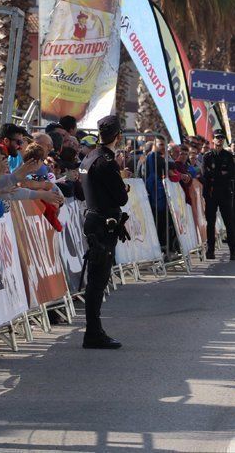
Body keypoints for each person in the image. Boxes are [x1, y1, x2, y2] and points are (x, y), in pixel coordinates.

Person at [80, 115, 130, 350]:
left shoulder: (89, 157)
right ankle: (93, 332)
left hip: (93, 219)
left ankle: (94, 329)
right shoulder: (107, 162)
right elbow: (121, 197)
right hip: (102, 224)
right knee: (97, 281)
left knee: (96, 280)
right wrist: (123, 184)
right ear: (118, 136)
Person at [201, 131, 235, 260]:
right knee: (211, 223)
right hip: (211, 193)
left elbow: (232, 173)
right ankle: (210, 250)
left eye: (222, 138)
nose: (220, 140)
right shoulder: (207, 156)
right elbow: (206, 174)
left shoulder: (228, 155)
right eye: (217, 138)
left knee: (229, 222)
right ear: (213, 140)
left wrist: (217, 174)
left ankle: (233, 251)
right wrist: (220, 173)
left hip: (225, 192)